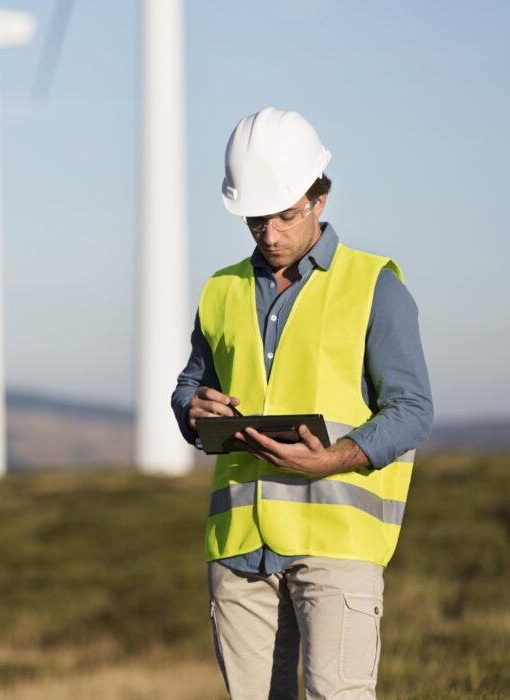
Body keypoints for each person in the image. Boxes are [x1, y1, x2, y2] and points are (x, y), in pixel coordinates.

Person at [171, 107, 433, 699]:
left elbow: (413, 409)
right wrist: (192, 408)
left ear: (319, 198)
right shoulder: (220, 290)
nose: (269, 234)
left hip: (337, 542)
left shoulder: (374, 285)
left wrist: (333, 457)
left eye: (285, 216)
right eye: (255, 220)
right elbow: (190, 385)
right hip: (239, 550)